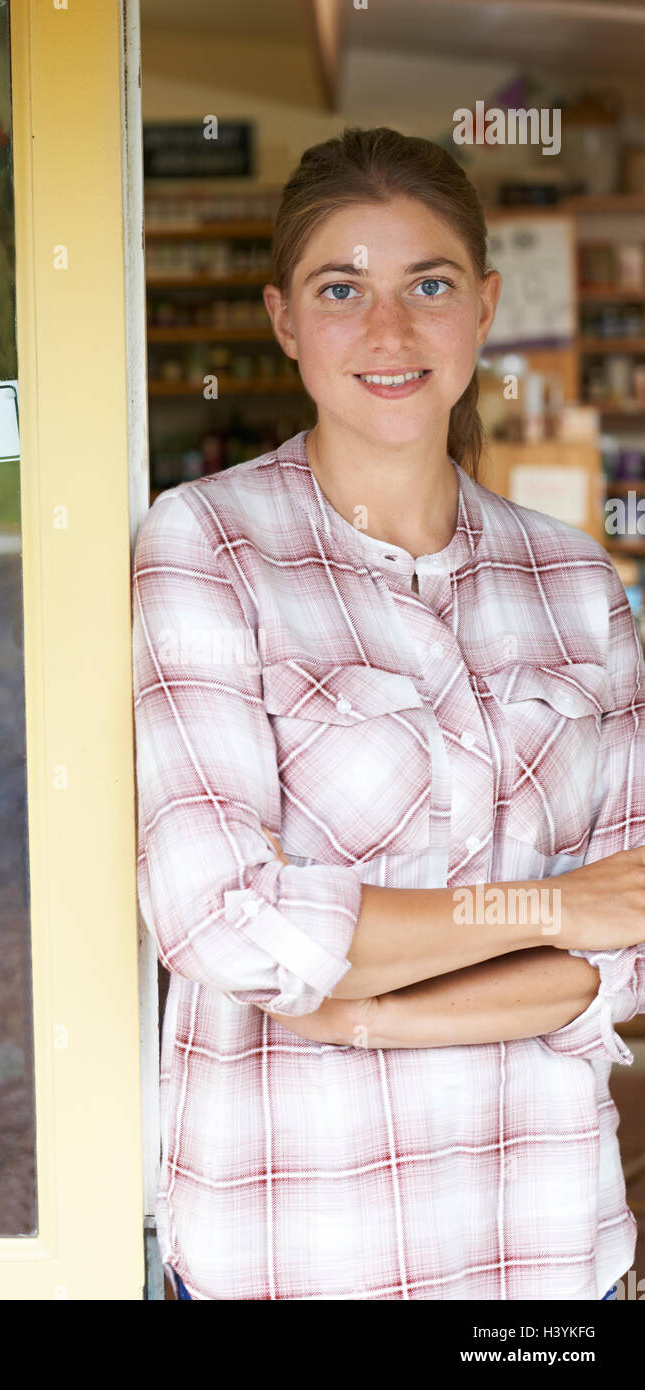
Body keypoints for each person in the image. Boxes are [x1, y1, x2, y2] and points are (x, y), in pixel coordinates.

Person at [132, 126, 645, 1301]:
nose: (388, 331)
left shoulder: (574, 582)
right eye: (340, 289)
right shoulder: (207, 545)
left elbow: (637, 939)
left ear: (484, 307)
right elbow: (221, 919)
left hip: (549, 1253)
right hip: (301, 1247)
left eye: (427, 285)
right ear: (282, 320)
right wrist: (550, 909)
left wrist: (364, 1008)